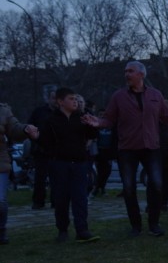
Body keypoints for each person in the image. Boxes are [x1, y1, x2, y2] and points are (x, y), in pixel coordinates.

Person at [82, 60, 168, 237]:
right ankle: (136, 226)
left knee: (157, 185)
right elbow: (109, 120)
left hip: (151, 147)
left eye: (131, 71)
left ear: (141, 74)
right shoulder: (118, 96)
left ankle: (154, 224)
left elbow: (167, 118)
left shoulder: (156, 95)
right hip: (127, 148)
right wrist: (98, 123)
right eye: (125, 71)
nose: (127, 74)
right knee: (128, 188)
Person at [37, 87, 100, 243]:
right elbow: (44, 142)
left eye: (75, 99)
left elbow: (92, 136)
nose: (75, 101)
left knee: (80, 198)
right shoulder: (51, 120)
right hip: (59, 164)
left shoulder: (82, 118)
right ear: (60, 101)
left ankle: (82, 230)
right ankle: (62, 230)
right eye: (71, 99)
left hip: (79, 163)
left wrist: (93, 126)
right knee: (61, 198)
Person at [0, 103, 38, 244]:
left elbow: (15, 128)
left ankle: (1, 230)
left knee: (0, 201)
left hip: (0, 162)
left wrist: (25, 129)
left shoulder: (3, 110)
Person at [28, 88, 57, 210]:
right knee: (40, 178)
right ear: (49, 99)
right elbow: (30, 127)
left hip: (57, 150)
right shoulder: (39, 112)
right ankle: (38, 201)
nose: (55, 101)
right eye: (53, 98)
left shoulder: (62, 113)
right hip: (41, 149)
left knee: (57, 178)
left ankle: (56, 201)